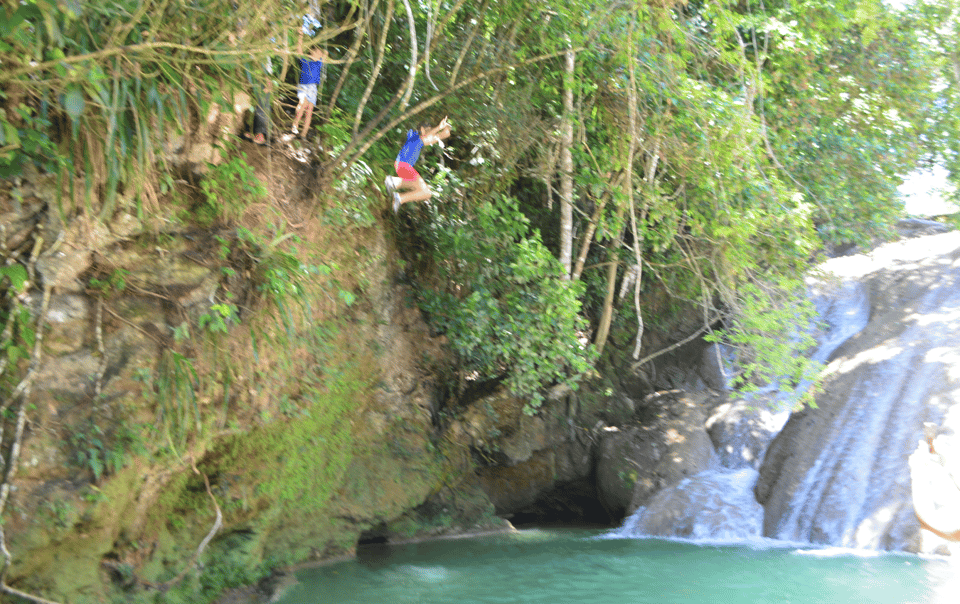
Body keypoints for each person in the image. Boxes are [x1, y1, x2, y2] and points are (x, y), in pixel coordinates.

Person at [384, 117, 451, 212]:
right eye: (428, 130)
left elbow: (433, 138)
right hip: (404, 165)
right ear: (422, 129)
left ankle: (398, 193)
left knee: (421, 190)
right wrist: (439, 127)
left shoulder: (417, 139)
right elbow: (428, 136)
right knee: (426, 192)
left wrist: (444, 132)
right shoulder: (416, 136)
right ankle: (394, 185)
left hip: (401, 166)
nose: (430, 133)